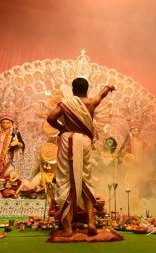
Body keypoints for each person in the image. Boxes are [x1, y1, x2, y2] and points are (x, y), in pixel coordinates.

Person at [47, 77, 115, 237]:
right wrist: (109, 86)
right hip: (85, 141)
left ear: (72, 89)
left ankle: (68, 228)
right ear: (87, 89)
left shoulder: (66, 103)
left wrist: (62, 128)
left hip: (68, 140)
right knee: (86, 179)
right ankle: (91, 223)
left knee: (66, 180)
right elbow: (102, 94)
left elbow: (50, 118)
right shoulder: (91, 102)